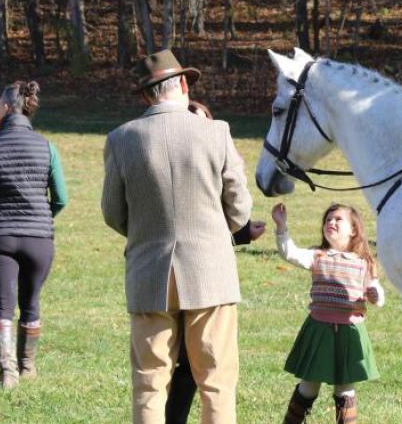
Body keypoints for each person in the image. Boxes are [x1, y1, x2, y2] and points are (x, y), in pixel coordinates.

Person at [102, 49, 252, 424]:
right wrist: (218, 234)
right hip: (210, 270)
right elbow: (239, 209)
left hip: (148, 269)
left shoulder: (121, 139)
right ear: (183, 84)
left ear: (145, 95)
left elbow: (113, 213)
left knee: (149, 384)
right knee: (216, 383)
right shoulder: (216, 132)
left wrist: (145, 233)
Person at [163, 101, 266, 424]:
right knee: (182, 364)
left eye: (203, 120)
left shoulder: (217, 155)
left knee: (205, 363)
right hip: (170, 275)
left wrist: (244, 234)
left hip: (207, 277)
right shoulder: (173, 158)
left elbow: (230, 212)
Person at [0, 81, 69, 389]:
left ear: (7, 107)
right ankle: (28, 366)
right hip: (39, 237)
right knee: (31, 303)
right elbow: (60, 198)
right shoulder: (47, 147)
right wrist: (39, 214)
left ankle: (7, 372)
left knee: (3, 306)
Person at [271, 202, 384, 424]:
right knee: (309, 385)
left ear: (353, 230)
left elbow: (378, 292)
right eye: (327, 220)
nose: (330, 222)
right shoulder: (317, 256)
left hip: (350, 332)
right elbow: (290, 253)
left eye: (337, 219)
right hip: (318, 329)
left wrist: (375, 295)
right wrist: (281, 227)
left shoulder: (364, 263)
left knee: (345, 388)